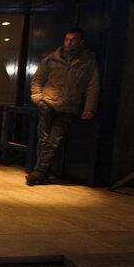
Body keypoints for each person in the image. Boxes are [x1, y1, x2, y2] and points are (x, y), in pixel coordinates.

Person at [27, 27, 100, 186]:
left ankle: (38, 174)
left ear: (81, 42)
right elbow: (37, 80)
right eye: (67, 39)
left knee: (54, 141)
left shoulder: (88, 62)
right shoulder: (51, 59)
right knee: (43, 140)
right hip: (48, 102)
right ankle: (41, 175)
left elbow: (92, 86)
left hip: (68, 106)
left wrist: (90, 108)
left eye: (73, 40)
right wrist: (39, 99)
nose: (69, 43)